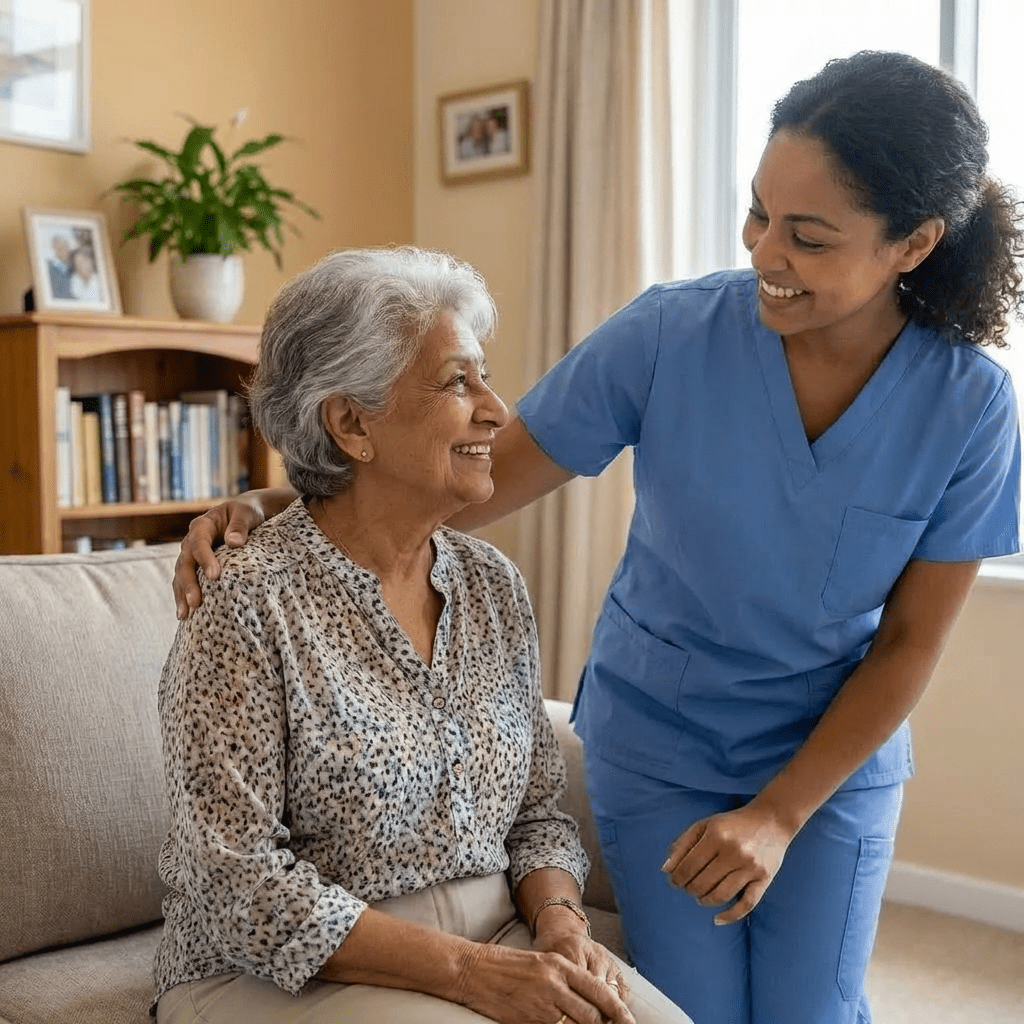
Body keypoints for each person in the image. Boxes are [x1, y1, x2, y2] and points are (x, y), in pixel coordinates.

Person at [171, 52, 1024, 1024]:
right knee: (685, 1009)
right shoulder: (670, 336)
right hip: (661, 740)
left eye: (809, 236)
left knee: (810, 1012)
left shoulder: (970, 405)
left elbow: (911, 641)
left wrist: (779, 813)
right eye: (757, 213)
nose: (764, 252)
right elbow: (466, 486)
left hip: (829, 760)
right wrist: (271, 504)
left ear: (912, 244)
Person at [154, 246, 690, 1024]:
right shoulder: (246, 604)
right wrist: (472, 974)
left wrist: (560, 925)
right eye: (455, 383)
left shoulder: (491, 583)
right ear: (350, 423)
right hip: (280, 970)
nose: (497, 411)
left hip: (495, 935)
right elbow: (235, 881)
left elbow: (539, 809)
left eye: (485, 375)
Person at [46, 234, 74, 300]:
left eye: (64, 247)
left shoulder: (74, 267)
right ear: (54, 250)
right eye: (59, 249)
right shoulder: (48, 268)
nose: (63, 251)